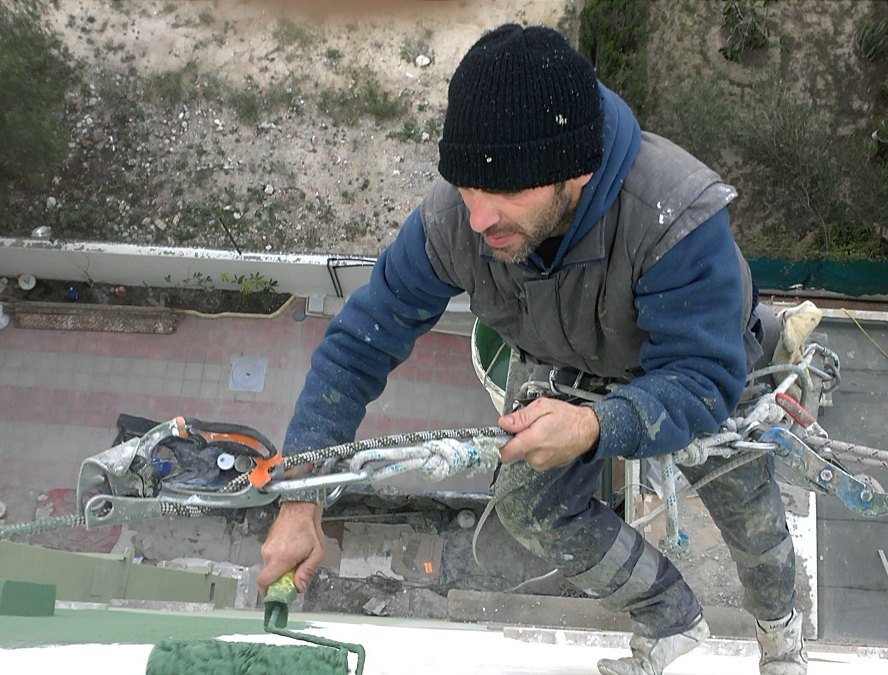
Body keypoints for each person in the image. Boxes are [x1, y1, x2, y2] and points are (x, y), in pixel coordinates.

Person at [258, 24, 807, 675]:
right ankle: (669, 615)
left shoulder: (672, 217)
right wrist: (301, 499)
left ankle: (781, 636)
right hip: (571, 361)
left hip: (696, 367)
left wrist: (595, 425)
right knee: (528, 499)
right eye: (465, 188)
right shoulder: (459, 218)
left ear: (576, 172)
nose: (479, 219)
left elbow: (705, 382)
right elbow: (358, 346)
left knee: (754, 523)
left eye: (506, 193)